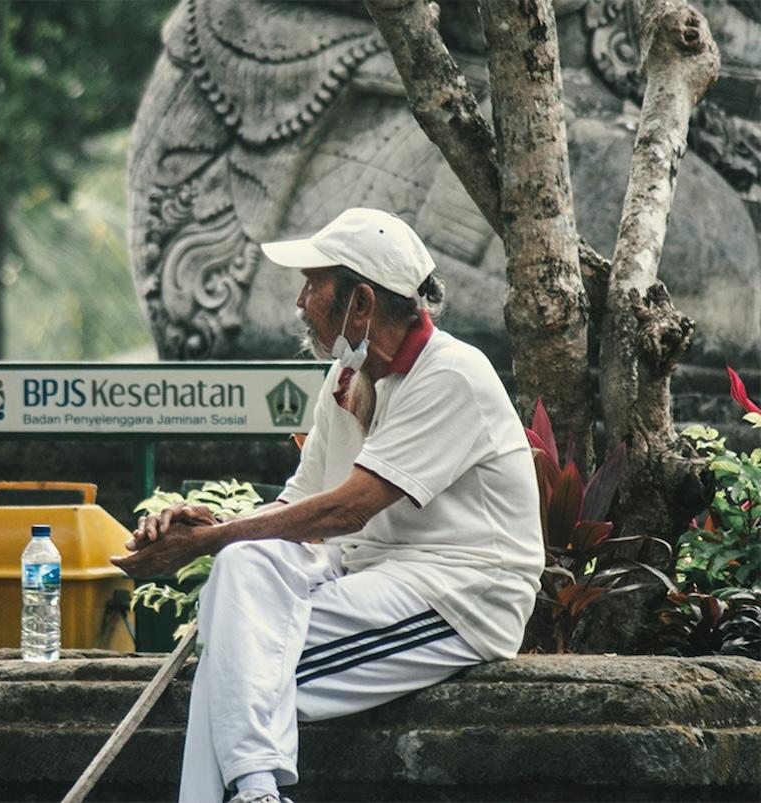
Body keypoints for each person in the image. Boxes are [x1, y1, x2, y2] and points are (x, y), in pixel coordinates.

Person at [112, 208, 544, 803]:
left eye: (314, 285)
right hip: (365, 573)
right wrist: (214, 528)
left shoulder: (452, 375)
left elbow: (348, 509)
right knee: (242, 571)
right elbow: (300, 507)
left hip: (460, 594)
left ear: (361, 303)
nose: (300, 301)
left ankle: (254, 790)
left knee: (232, 671)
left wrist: (211, 540)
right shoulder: (346, 374)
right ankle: (256, 791)